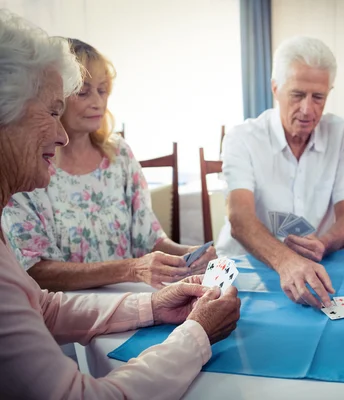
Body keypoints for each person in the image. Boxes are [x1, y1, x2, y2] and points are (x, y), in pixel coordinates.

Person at [0, 10, 241, 399]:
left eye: (103, 89)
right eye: (52, 110)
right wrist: (198, 332)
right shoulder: (26, 183)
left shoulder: (118, 155)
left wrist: (153, 305)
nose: (60, 135)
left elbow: (41, 308)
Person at [1, 38, 216, 291]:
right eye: (83, 91)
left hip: (133, 301)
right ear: (55, 96)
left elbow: (148, 240)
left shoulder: (119, 154)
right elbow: (34, 270)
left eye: (102, 90)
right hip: (68, 314)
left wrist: (190, 254)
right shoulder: (27, 167)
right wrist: (131, 269)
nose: (97, 102)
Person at [218, 36, 344, 308]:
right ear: (276, 88)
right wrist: (286, 260)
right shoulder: (241, 137)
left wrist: (324, 243)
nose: (308, 109)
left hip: (315, 267)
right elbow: (240, 218)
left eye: (318, 97)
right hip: (247, 270)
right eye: (297, 95)